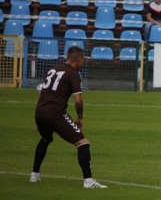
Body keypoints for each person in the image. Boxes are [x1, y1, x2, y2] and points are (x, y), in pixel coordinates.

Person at [31, 46, 107, 189]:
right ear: (79, 59)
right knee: (83, 143)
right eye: (83, 59)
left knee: (46, 139)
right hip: (55, 113)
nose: (83, 62)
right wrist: (80, 118)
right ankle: (88, 181)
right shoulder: (74, 74)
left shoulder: (53, 69)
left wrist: (40, 118)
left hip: (40, 111)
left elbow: (44, 91)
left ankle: (34, 175)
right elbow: (78, 101)